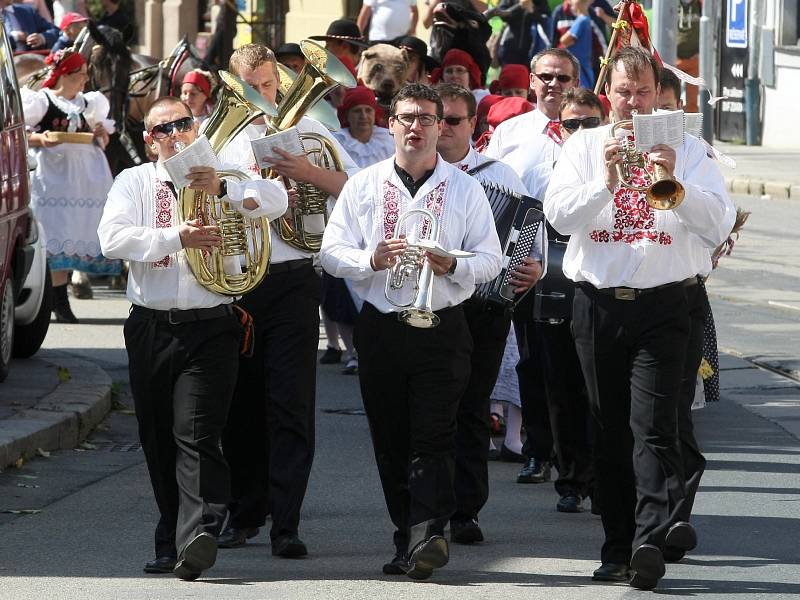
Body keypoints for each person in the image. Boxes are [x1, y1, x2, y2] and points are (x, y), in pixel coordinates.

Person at [544, 46, 735, 590]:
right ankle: (616, 546)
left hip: (666, 305)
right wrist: (603, 180)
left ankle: (649, 539)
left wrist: (679, 183)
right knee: (606, 429)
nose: (632, 102)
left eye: (642, 91)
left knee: (652, 428)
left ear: (658, 93)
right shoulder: (583, 146)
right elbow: (558, 218)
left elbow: (717, 224)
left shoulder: (692, 150)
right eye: (623, 92)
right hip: (599, 304)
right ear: (610, 93)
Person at [97, 96, 288, 580]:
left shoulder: (224, 171)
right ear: (149, 139)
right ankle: (172, 542)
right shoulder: (134, 181)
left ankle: (201, 530)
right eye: (164, 129)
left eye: (183, 124)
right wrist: (174, 237)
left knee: (198, 432)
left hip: (211, 325)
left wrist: (224, 187)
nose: (175, 134)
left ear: (197, 126)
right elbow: (111, 240)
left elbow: (277, 200)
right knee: (158, 437)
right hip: (151, 326)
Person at [320, 83, 502, 580]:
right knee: (391, 439)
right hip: (382, 327)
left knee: (434, 435)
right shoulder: (364, 183)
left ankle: (428, 534)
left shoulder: (466, 188)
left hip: (443, 327)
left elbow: (491, 260)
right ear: (392, 125)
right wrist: (370, 258)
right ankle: (408, 536)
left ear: (440, 125)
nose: (416, 127)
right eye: (406, 118)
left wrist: (453, 263)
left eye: (426, 118)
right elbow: (330, 252)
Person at [216, 43, 359, 557]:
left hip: (295, 277)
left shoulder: (312, 132)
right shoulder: (220, 139)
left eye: (270, 85)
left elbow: (353, 191)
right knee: (241, 401)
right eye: (251, 86)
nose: (263, 95)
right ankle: (244, 510)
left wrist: (307, 176)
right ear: (233, 85)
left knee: (291, 401)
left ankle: (287, 523)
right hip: (239, 282)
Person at [435, 82, 541, 543]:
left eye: (452, 120)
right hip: (430, 305)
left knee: (472, 406)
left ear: (472, 125)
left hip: (484, 308)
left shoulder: (500, 175)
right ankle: (427, 503)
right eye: (431, 119)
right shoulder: (406, 174)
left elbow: (528, 239)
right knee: (431, 407)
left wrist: (530, 267)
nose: (440, 129)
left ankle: (465, 509)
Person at [519, 87, 605, 513]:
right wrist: (527, 263)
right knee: (559, 390)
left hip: (596, 292)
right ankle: (569, 480)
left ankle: (601, 477)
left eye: (590, 123)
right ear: (559, 127)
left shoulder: (615, 166)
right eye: (572, 123)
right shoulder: (541, 171)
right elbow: (523, 225)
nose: (581, 130)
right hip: (549, 291)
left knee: (599, 393)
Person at [22, 49, 117, 323]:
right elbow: (22, 134)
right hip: (53, 175)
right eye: (81, 74)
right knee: (53, 234)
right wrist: (41, 139)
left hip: (84, 177)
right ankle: (56, 301)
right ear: (65, 74)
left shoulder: (90, 103)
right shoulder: (41, 101)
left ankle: (57, 300)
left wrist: (99, 135)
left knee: (72, 235)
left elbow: (102, 140)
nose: (86, 79)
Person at [485, 48, 579, 175]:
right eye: (546, 76)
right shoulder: (506, 131)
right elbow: (489, 179)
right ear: (532, 80)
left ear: (576, 83)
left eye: (562, 78)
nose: (554, 83)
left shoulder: (588, 132)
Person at [559, 0, 594, 89]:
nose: (570, 3)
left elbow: (564, 40)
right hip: (583, 67)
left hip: (579, 69)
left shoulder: (581, 20)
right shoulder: (587, 19)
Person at [676, 0, 701, 113]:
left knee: (692, 102)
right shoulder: (672, 5)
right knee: (672, 98)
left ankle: (691, 129)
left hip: (693, 59)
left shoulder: (700, 5)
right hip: (674, 60)